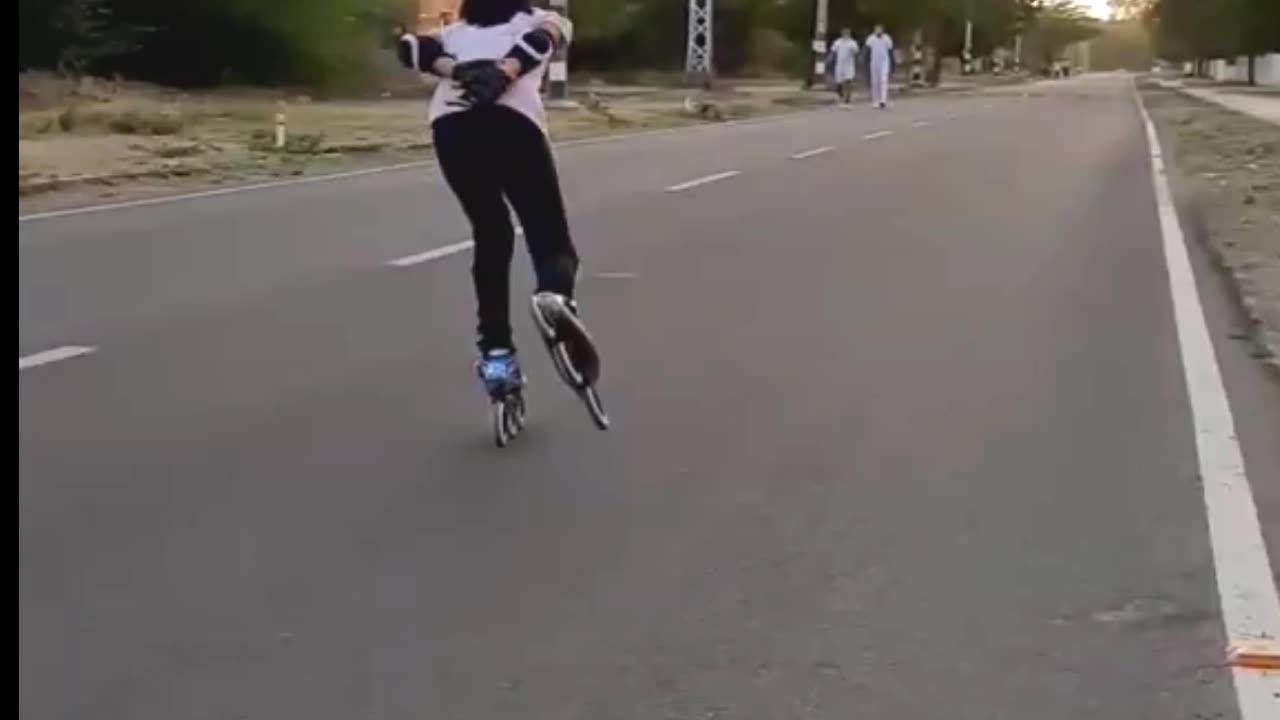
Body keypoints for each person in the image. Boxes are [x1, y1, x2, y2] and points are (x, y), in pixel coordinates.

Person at [397, 0, 599, 399]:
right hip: (514, 127)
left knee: (491, 234)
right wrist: (503, 73)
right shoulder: (546, 17)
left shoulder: (454, 33)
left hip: (452, 131)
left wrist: (456, 70)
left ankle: (497, 355)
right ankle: (554, 298)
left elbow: (410, 47)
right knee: (549, 237)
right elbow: (543, 40)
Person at [865, 24, 894, 109]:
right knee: (875, 81)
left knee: (883, 80)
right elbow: (867, 51)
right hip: (874, 62)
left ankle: (883, 100)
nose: (878, 31)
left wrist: (892, 64)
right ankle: (875, 101)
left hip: (884, 62)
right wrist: (866, 62)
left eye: (880, 30)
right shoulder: (871, 38)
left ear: (882, 30)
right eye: (876, 30)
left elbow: (890, 51)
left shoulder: (887, 38)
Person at [828, 28, 859, 105]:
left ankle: (848, 97)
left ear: (849, 34)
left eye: (847, 34)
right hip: (840, 65)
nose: (845, 35)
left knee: (849, 80)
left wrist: (853, 51)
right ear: (842, 34)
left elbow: (856, 51)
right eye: (844, 34)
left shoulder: (852, 43)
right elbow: (833, 51)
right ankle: (840, 93)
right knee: (838, 83)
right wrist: (829, 59)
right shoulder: (838, 42)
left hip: (849, 65)